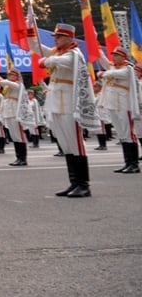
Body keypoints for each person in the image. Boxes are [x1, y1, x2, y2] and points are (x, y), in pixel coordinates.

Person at [40, 23, 101, 198]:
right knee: (66, 144)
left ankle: (84, 185)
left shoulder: (74, 54)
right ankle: (74, 182)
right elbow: (38, 47)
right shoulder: (58, 53)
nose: (56, 39)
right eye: (55, 37)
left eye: (59, 36)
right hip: (56, 104)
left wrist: (46, 60)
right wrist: (29, 32)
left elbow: (60, 61)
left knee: (76, 143)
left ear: (69, 38)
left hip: (69, 105)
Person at [97, 47, 139, 173]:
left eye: (116, 55)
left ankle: (134, 164)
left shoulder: (128, 68)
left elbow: (115, 74)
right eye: (113, 55)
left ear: (123, 57)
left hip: (124, 106)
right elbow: (102, 60)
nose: (113, 57)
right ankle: (127, 163)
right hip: (113, 105)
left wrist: (103, 74)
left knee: (129, 134)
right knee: (122, 135)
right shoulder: (113, 67)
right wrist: (96, 47)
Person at [0, 70, 31, 167]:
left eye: (11, 74)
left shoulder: (18, 85)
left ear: (17, 76)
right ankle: (18, 157)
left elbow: (4, 82)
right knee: (14, 136)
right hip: (8, 112)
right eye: (8, 74)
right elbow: (2, 82)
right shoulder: (8, 86)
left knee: (19, 136)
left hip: (16, 113)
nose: (9, 76)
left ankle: (23, 158)